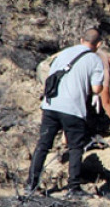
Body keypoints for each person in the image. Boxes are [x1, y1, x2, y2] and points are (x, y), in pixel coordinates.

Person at [26, 28, 105, 198]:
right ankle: (73, 188)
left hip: (50, 104)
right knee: (76, 147)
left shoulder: (64, 53)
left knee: (43, 145)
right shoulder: (95, 59)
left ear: (81, 38)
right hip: (73, 109)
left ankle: (31, 185)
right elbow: (97, 88)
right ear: (99, 44)